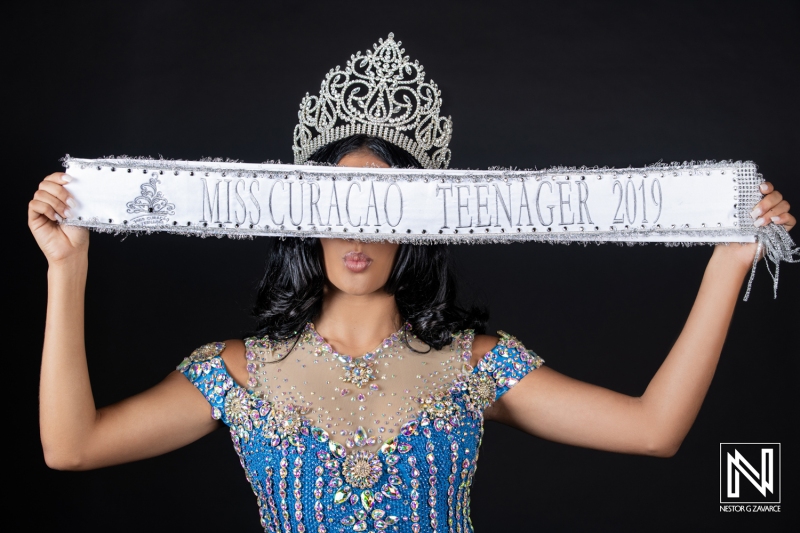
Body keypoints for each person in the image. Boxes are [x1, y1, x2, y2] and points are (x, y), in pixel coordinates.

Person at [29, 35, 795, 533]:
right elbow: (72, 447)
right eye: (338, 206)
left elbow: (654, 428)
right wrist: (69, 271)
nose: (358, 233)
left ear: (417, 223)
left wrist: (730, 263)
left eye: (383, 208)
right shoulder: (234, 372)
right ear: (304, 215)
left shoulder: (475, 364)